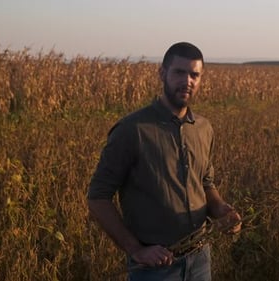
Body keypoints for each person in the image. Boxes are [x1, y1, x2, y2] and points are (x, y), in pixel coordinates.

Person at [87, 42, 241, 281]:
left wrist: (221, 210)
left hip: (200, 259)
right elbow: (98, 196)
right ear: (162, 73)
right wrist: (136, 249)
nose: (187, 81)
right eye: (179, 72)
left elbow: (205, 182)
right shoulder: (133, 129)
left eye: (194, 75)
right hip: (156, 268)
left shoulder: (203, 129)